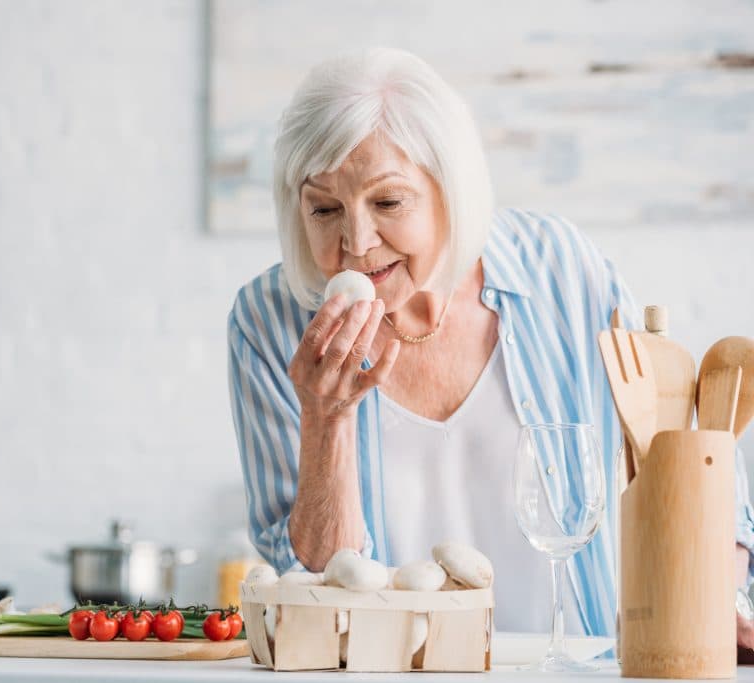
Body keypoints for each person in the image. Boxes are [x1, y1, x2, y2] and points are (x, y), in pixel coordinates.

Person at [227, 47, 754, 639]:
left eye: (388, 201)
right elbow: (315, 590)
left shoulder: (560, 269)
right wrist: (327, 422)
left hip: (577, 669)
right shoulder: (269, 323)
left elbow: (684, 453)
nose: (356, 240)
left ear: (450, 187)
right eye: (324, 208)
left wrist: (719, 597)